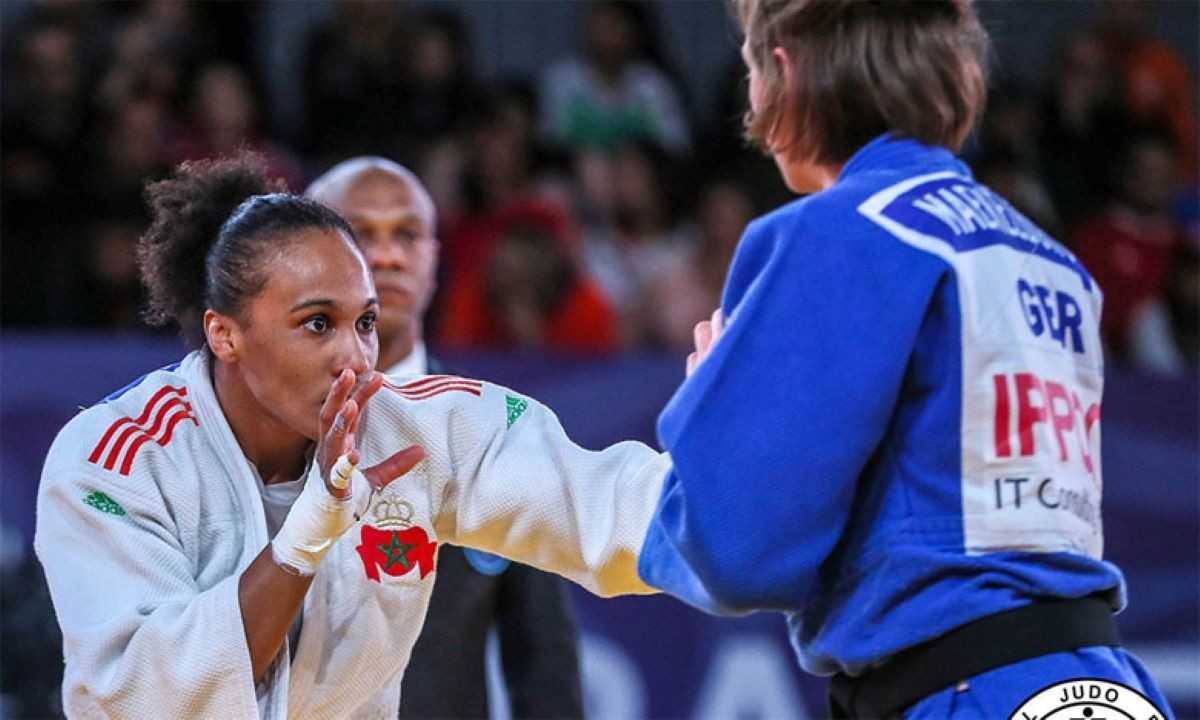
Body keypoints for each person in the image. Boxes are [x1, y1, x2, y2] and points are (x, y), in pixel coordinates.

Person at [630, 1, 1175, 718]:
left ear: (784, 69)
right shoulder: (1051, 260)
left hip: (964, 689)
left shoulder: (837, 232)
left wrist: (717, 413)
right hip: (1099, 684)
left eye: (751, 69)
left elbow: (737, 552)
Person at [35, 154, 665, 718]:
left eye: (364, 322)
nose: (355, 358)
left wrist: (721, 449)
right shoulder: (117, 458)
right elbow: (148, 697)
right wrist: (305, 539)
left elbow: (608, 511)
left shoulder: (411, 430)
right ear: (224, 334)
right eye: (317, 324)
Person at [305, 157, 584, 719]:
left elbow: (543, 657)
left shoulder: (488, 431)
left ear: (435, 256)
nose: (386, 255)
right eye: (360, 233)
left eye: (407, 234)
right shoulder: (257, 418)